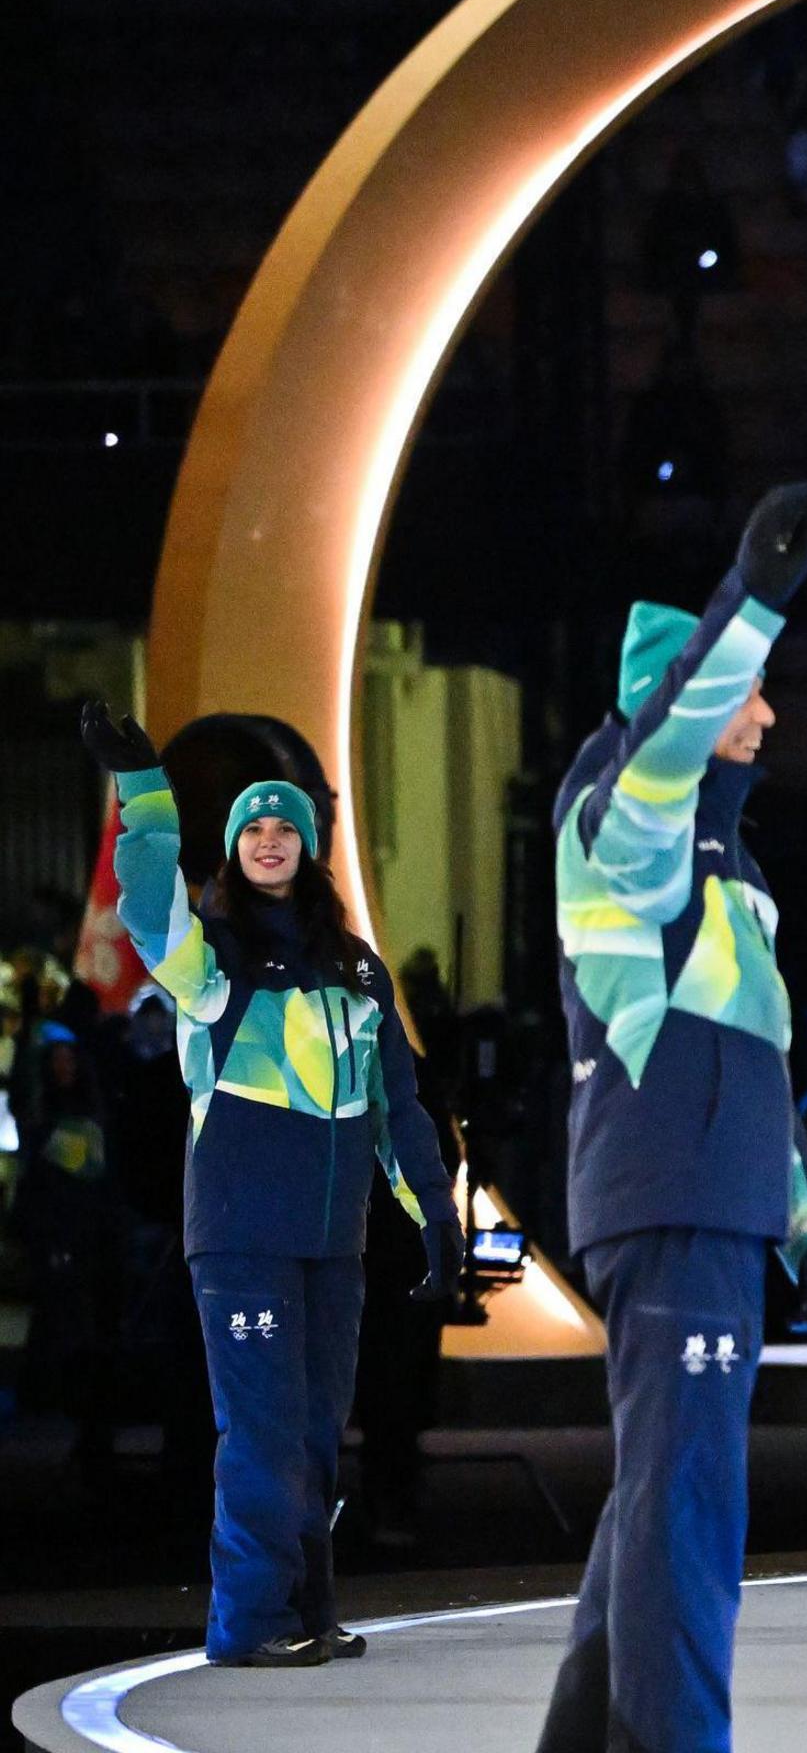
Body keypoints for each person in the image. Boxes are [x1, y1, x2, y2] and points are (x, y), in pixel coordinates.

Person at [539, 484, 807, 1753]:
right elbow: (661, 755)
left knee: (658, 1500)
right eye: (749, 692)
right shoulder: (626, 834)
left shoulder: (740, 884)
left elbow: (758, 1064)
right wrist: (754, 602)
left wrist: (803, 1217)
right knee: (689, 1508)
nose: (769, 715)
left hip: (706, 1207)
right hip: (667, 1204)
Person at [85, 706, 458, 1667]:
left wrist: (435, 1222)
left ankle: (304, 1609)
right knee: (258, 1435)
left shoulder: (358, 973)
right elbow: (142, 899)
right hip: (243, 1237)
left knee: (312, 1433)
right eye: (252, 827)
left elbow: (398, 1109)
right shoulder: (206, 961)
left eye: (283, 825)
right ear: (234, 846)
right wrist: (142, 794)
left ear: (310, 844)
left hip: (332, 1242)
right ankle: (249, 1624)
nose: (267, 840)